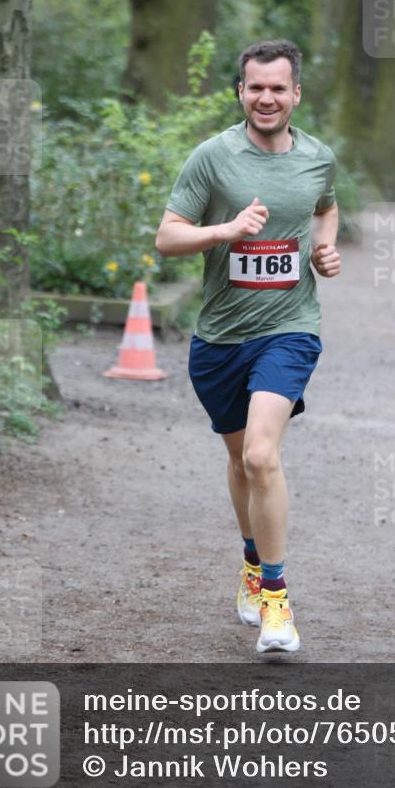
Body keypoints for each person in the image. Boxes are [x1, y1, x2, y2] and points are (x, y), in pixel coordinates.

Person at [156, 40, 340, 652]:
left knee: (263, 457)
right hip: (220, 339)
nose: (266, 98)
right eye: (255, 87)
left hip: (291, 327)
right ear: (240, 91)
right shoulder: (212, 157)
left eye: (278, 88)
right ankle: (251, 561)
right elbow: (167, 238)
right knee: (239, 461)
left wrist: (324, 247)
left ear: (295, 94)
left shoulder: (318, 157)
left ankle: (276, 602)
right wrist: (226, 231)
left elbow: (326, 206)